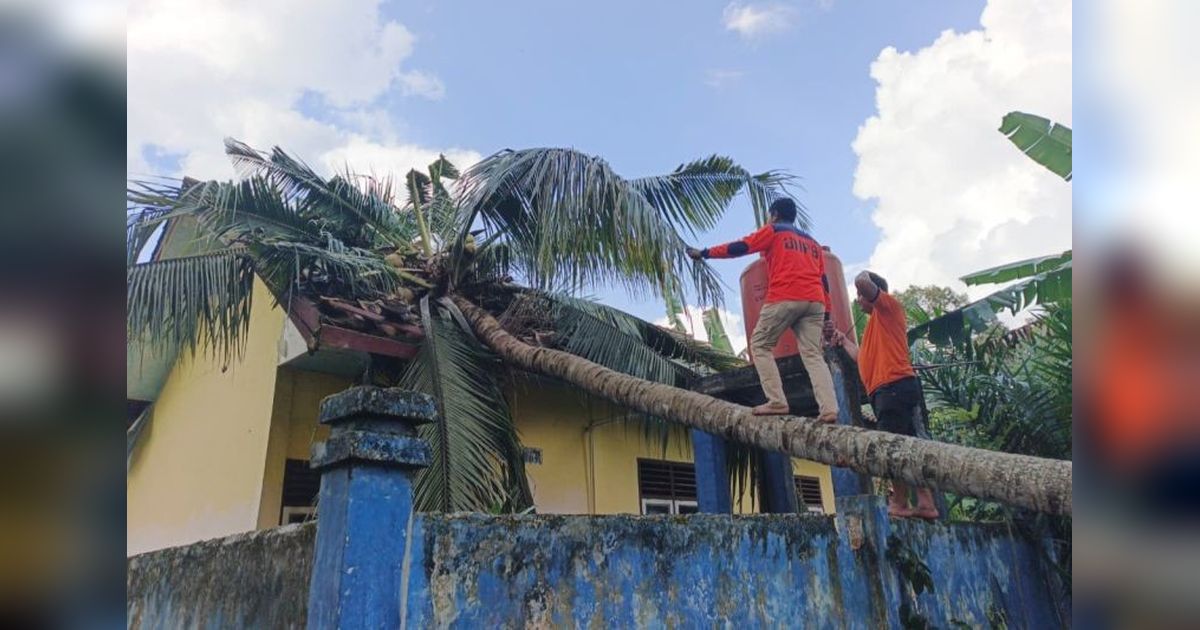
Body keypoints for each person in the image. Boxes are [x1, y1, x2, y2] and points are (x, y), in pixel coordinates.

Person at [686, 198, 839, 422]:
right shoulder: (813, 243)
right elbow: (824, 280)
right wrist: (827, 314)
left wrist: (706, 252)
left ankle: (777, 401)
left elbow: (740, 247)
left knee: (760, 344)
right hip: (815, 301)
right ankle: (829, 409)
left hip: (785, 296)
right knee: (814, 355)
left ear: (774, 214)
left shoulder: (774, 231)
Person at [828, 270, 939, 519]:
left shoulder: (889, 308)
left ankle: (899, 502)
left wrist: (862, 279)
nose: (857, 299)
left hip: (893, 388)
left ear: (873, 293)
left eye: (860, 295)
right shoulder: (873, 329)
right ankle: (925, 502)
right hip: (890, 391)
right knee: (909, 447)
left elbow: (863, 282)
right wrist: (844, 341)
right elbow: (863, 359)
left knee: (892, 449)